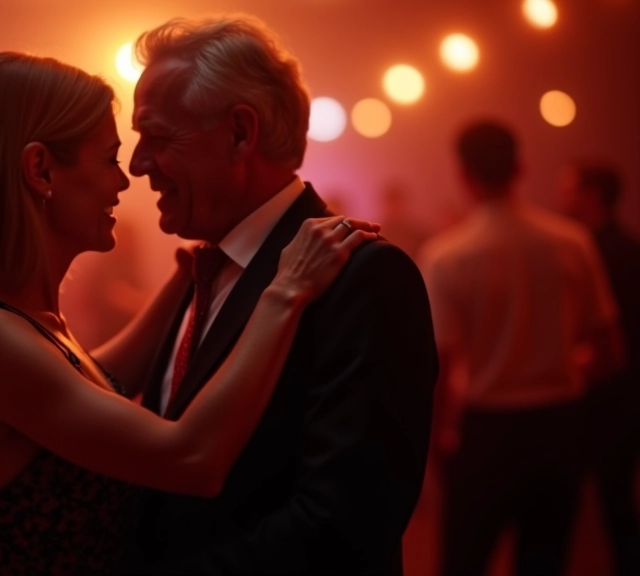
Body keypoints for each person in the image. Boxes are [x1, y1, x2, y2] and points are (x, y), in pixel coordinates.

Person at [0, 51, 379, 575]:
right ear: (41, 170)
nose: (126, 178)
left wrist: (190, 277)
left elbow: (98, 382)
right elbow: (192, 459)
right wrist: (284, 290)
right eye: (109, 158)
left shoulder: (14, 321)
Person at [120, 17, 438, 575]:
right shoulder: (203, 265)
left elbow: (345, 524)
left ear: (241, 134)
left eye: (158, 136)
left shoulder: (364, 276)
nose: (136, 164)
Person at [420, 122, 624, 576]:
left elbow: (440, 364)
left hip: (485, 432)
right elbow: (610, 352)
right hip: (559, 426)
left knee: (463, 561)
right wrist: (559, 368)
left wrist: (434, 445)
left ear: (464, 176)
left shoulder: (448, 255)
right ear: (521, 168)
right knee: (544, 562)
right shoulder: (573, 242)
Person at [559, 162, 640, 576]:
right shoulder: (630, 248)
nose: (562, 195)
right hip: (625, 397)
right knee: (617, 503)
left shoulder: (585, 249)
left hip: (599, 397)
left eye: (570, 188)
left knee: (579, 508)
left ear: (592, 195)